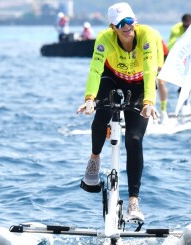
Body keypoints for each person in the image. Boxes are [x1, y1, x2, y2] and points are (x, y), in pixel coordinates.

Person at [76, 2, 158, 222]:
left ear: (135, 21)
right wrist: (90, 98)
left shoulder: (147, 35)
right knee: (101, 113)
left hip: (140, 84)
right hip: (111, 79)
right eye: (120, 23)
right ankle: (94, 159)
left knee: (133, 138)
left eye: (129, 21)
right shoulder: (104, 39)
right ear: (113, 27)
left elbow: (151, 70)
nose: (126, 26)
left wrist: (149, 101)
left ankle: (133, 202)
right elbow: (95, 68)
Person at [155, 29, 169, 123]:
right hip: (148, 59)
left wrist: (160, 67)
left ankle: (163, 111)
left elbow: (163, 54)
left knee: (161, 82)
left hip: (162, 59)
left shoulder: (158, 40)